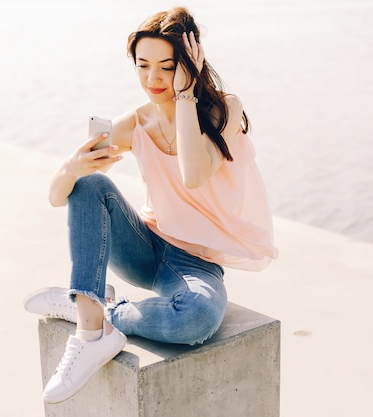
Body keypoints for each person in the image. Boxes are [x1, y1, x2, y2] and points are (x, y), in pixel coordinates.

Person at [24, 7, 278, 404]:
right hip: (143, 247)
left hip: (194, 264)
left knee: (196, 318)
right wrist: (71, 167)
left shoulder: (223, 109)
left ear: (190, 64)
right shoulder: (133, 123)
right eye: (142, 66)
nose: (152, 79)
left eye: (167, 66)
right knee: (90, 182)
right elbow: (60, 196)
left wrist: (185, 96)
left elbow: (194, 173)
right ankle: (91, 330)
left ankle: (96, 305)